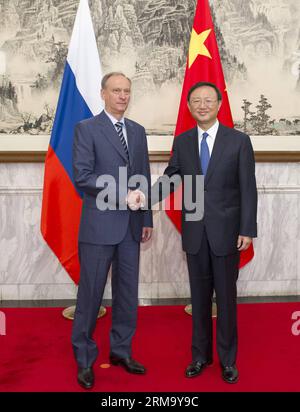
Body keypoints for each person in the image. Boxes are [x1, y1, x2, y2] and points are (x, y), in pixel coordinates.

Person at [139, 81, 257, 383]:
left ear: (218, 104)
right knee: (200, 298)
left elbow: (248, 189)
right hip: (195, 232)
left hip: (228, 233)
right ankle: (200, 357)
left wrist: (247, 229)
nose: (202, 105)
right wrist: (145, 199)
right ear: (189, 107)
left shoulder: (239, 141)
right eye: (196, 101)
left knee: (226, 300)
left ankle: (228, 360)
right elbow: (172, 178)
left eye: (208, 100)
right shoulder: (183, 141)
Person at [71, 72, 153, 389]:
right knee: (90, 296)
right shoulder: (86, 129)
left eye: (127, 91)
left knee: (127, 296)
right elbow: (83, 176)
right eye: (116, 90)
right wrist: (121, 195)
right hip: (98, 228)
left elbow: (143, 177)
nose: (122, 96)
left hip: (132, 228)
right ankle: (84, 359)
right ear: (103, 93)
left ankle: (121, 351)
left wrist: (145, 219)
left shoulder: (137, 131)